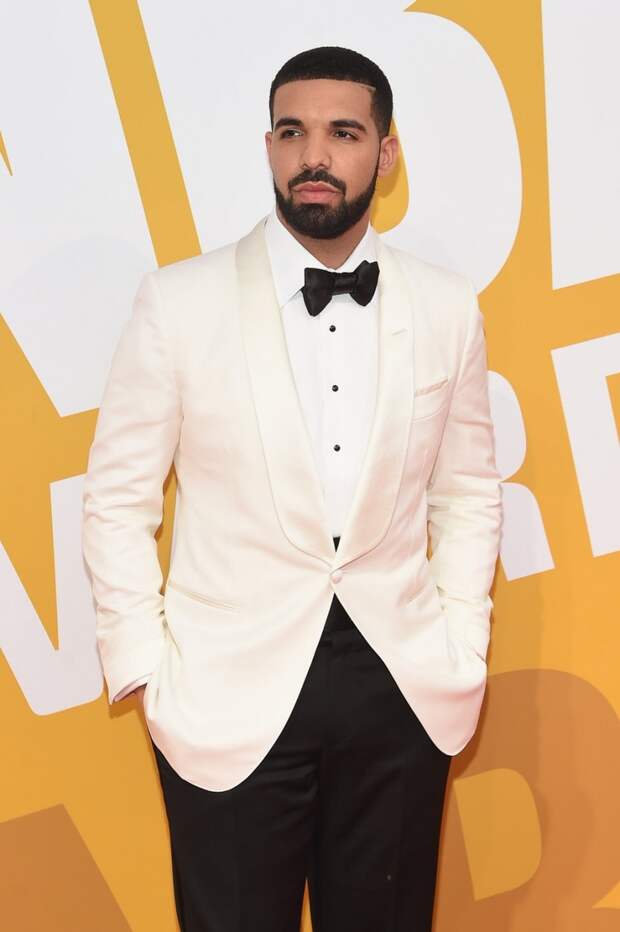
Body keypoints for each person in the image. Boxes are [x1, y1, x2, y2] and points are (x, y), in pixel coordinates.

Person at [82, 45, 503, 932]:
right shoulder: (178, 303)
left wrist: (462, 640)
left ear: (386, 154)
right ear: (269, 147)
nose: (315, 155)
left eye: (343, 133)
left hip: (401, 686)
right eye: (292, 132)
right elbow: (117, 498)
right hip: (226, 697)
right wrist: (149, 672)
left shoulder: (447, 306)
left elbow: (467, 493)